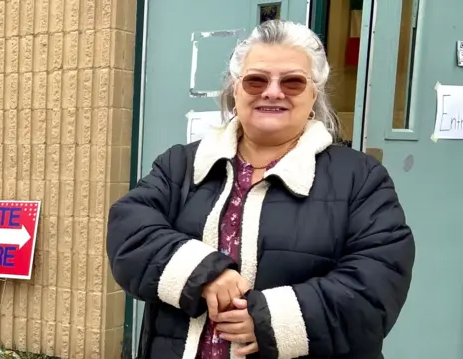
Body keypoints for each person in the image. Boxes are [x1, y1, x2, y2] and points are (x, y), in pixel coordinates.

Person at [106, 19, 415, 359]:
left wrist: (271, 321)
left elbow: (378, 283)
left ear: (314, 93)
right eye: (256, 80)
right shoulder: (181, 165)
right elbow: (129, 230)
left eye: (293, 82)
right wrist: (203, 273)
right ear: (235, 90)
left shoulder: (360, 177)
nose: (272, 91)